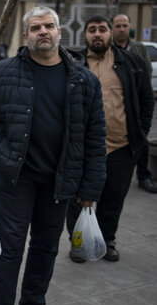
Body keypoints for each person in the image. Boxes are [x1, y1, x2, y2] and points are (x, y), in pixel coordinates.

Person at [0, 6, 106, 305]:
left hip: (60, 180)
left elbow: (95, 136)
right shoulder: (4, 72)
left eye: (48, 26)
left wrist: (91, 186)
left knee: (46, 247)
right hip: (17, 179)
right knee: (11, 249)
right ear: (26, 35)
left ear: (59, 32)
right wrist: (1, 154)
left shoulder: (84, 81)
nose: (42, 31)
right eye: (35, 28)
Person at [66, 15, 154, 263]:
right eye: (92, 30)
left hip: (121, 147)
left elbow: (146, 100)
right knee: (77, 199)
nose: (97, 34)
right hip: (81, 149)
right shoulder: (74, 64)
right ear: (85, 35)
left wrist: (139, 133)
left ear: (110, 33)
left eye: (102, 29)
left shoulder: (131, 62)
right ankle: (78, 242)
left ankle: (108, 240)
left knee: (114, 197)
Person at [111, 13, 156, 193]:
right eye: (118, 26)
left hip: (136, 100)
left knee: (141, 140)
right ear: (113, 28)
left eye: (125, 26)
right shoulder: (108, 48)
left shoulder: (138, 47)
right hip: (116, 101)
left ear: (130, 27)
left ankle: (143, 176)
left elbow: (147, 69)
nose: (122, 29)